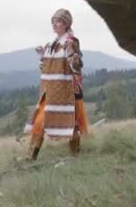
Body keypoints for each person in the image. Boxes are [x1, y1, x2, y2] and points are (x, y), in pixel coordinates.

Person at [23, 8, 89, 160]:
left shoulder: (71, 41)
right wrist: (41, 56)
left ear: (66, 24)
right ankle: (30, 157)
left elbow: (77, 67)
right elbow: (46, 69)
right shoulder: (50, 44)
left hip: (67, 91)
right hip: (50, 91)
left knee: (71, 123)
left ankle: (75, 156)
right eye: (53, 21)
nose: (54, 24)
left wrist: (71, 51)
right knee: (39, 122)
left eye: (58, 21)